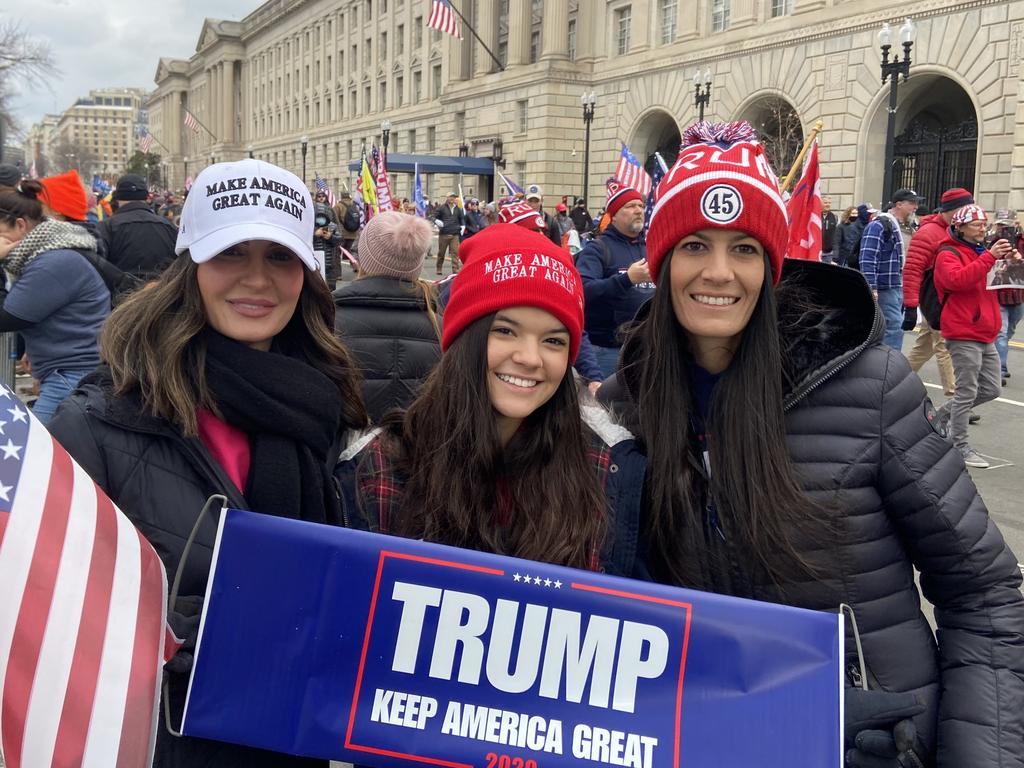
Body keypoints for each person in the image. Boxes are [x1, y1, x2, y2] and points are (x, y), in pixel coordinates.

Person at [598, 122, 1024, 767]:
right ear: (661, 261)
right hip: (712, 743)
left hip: (879, 746)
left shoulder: (871, 388)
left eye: (744, 248)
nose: (719, 273)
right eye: (694, 246)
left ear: (772, 264)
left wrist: (974, 757)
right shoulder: (622, 411)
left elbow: (983, 593)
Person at [49, 159, 368, 767]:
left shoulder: (322, 402)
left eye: (279, 258)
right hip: (163, 746)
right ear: (189, 267)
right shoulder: (97, 423)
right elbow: (57, 624)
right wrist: (216, 635)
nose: (257, 280)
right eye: (230, 255)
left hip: (286, 739)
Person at [347, 223, 644, 578]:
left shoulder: (606, 469)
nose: (530, 358)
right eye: (505, 331)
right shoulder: (382, 465)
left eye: (553, 341)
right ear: (464, 339)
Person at [0, 179, 110, 424]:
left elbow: (5, 317)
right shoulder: (49, 254)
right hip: (67, 370)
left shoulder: (52, 262)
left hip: (72, 375)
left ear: (20, 225)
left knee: (38, 456)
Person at [933, 204, 1019, 468]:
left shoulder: (982, 251)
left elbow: (993, 282)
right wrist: (989, 258)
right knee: (966, 392)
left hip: (984, 330)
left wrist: (1011, 264)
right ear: (960, 227)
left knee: (991, 388)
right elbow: (956, 281)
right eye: (977, 224)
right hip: (962, 330)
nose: (983, 227)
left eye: (984, 223)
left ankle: (938, 417)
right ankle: (959, 445)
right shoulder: (948, 253)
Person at [334, 211, 441, 422]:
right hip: (420, 448)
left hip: (345, 449)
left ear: (363, 258)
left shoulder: (326, 320)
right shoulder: (442, 326)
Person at [575, 178, 654, 377]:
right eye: (630, 206)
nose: (638, 210)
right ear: (614, 215)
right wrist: (626, 279)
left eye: (641, 205)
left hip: (647, 349)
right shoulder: (598, 249)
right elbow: (583, 290)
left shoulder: (651, 247)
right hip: (607, 351)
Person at [902, 187, 974, 398]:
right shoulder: (928, 233)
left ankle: (895, 379)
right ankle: (956, 398)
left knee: (924, 347)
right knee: (945, 345)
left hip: (949, 297)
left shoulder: (957, 230)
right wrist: (910, 305)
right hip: (934, 299)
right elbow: (913, 269)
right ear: (952, 209)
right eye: (963, 209)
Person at [859, 188, 922, 352]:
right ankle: (889, 364)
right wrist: (871, 287)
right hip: (884, 287)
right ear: (899, 204)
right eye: (911, 203)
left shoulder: (908, 227)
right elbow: (867, 257)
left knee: (890, 326)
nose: (915, 207)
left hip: (897, 285)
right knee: (893, 327)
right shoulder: (879, 225)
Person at [96, 172, 178, 282]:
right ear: (145, 196)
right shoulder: (168, 227)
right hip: (161, 295)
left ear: (117, 197)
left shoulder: (106, 228)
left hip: (122, 297)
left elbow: (98, 271)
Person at [433, 192, 464, 274]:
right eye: (451, 197)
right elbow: (433, 216)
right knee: (441, 253)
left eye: (453, 197)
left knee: (455, 253)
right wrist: (437, 221)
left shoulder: (458, 209)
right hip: (444, 234)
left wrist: (463, 226)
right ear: (447, 198)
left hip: (455, 234)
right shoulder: (442, 208)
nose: (452, 198)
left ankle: (455, 269)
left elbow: (462, 219)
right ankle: (439, 268)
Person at [820, 195, 838, 264]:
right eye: (825, 203)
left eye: (829, 203)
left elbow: (836, 236)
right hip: (818, 252)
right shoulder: (815, 216)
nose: (828, 205)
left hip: (829, 253)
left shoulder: (834, 217)